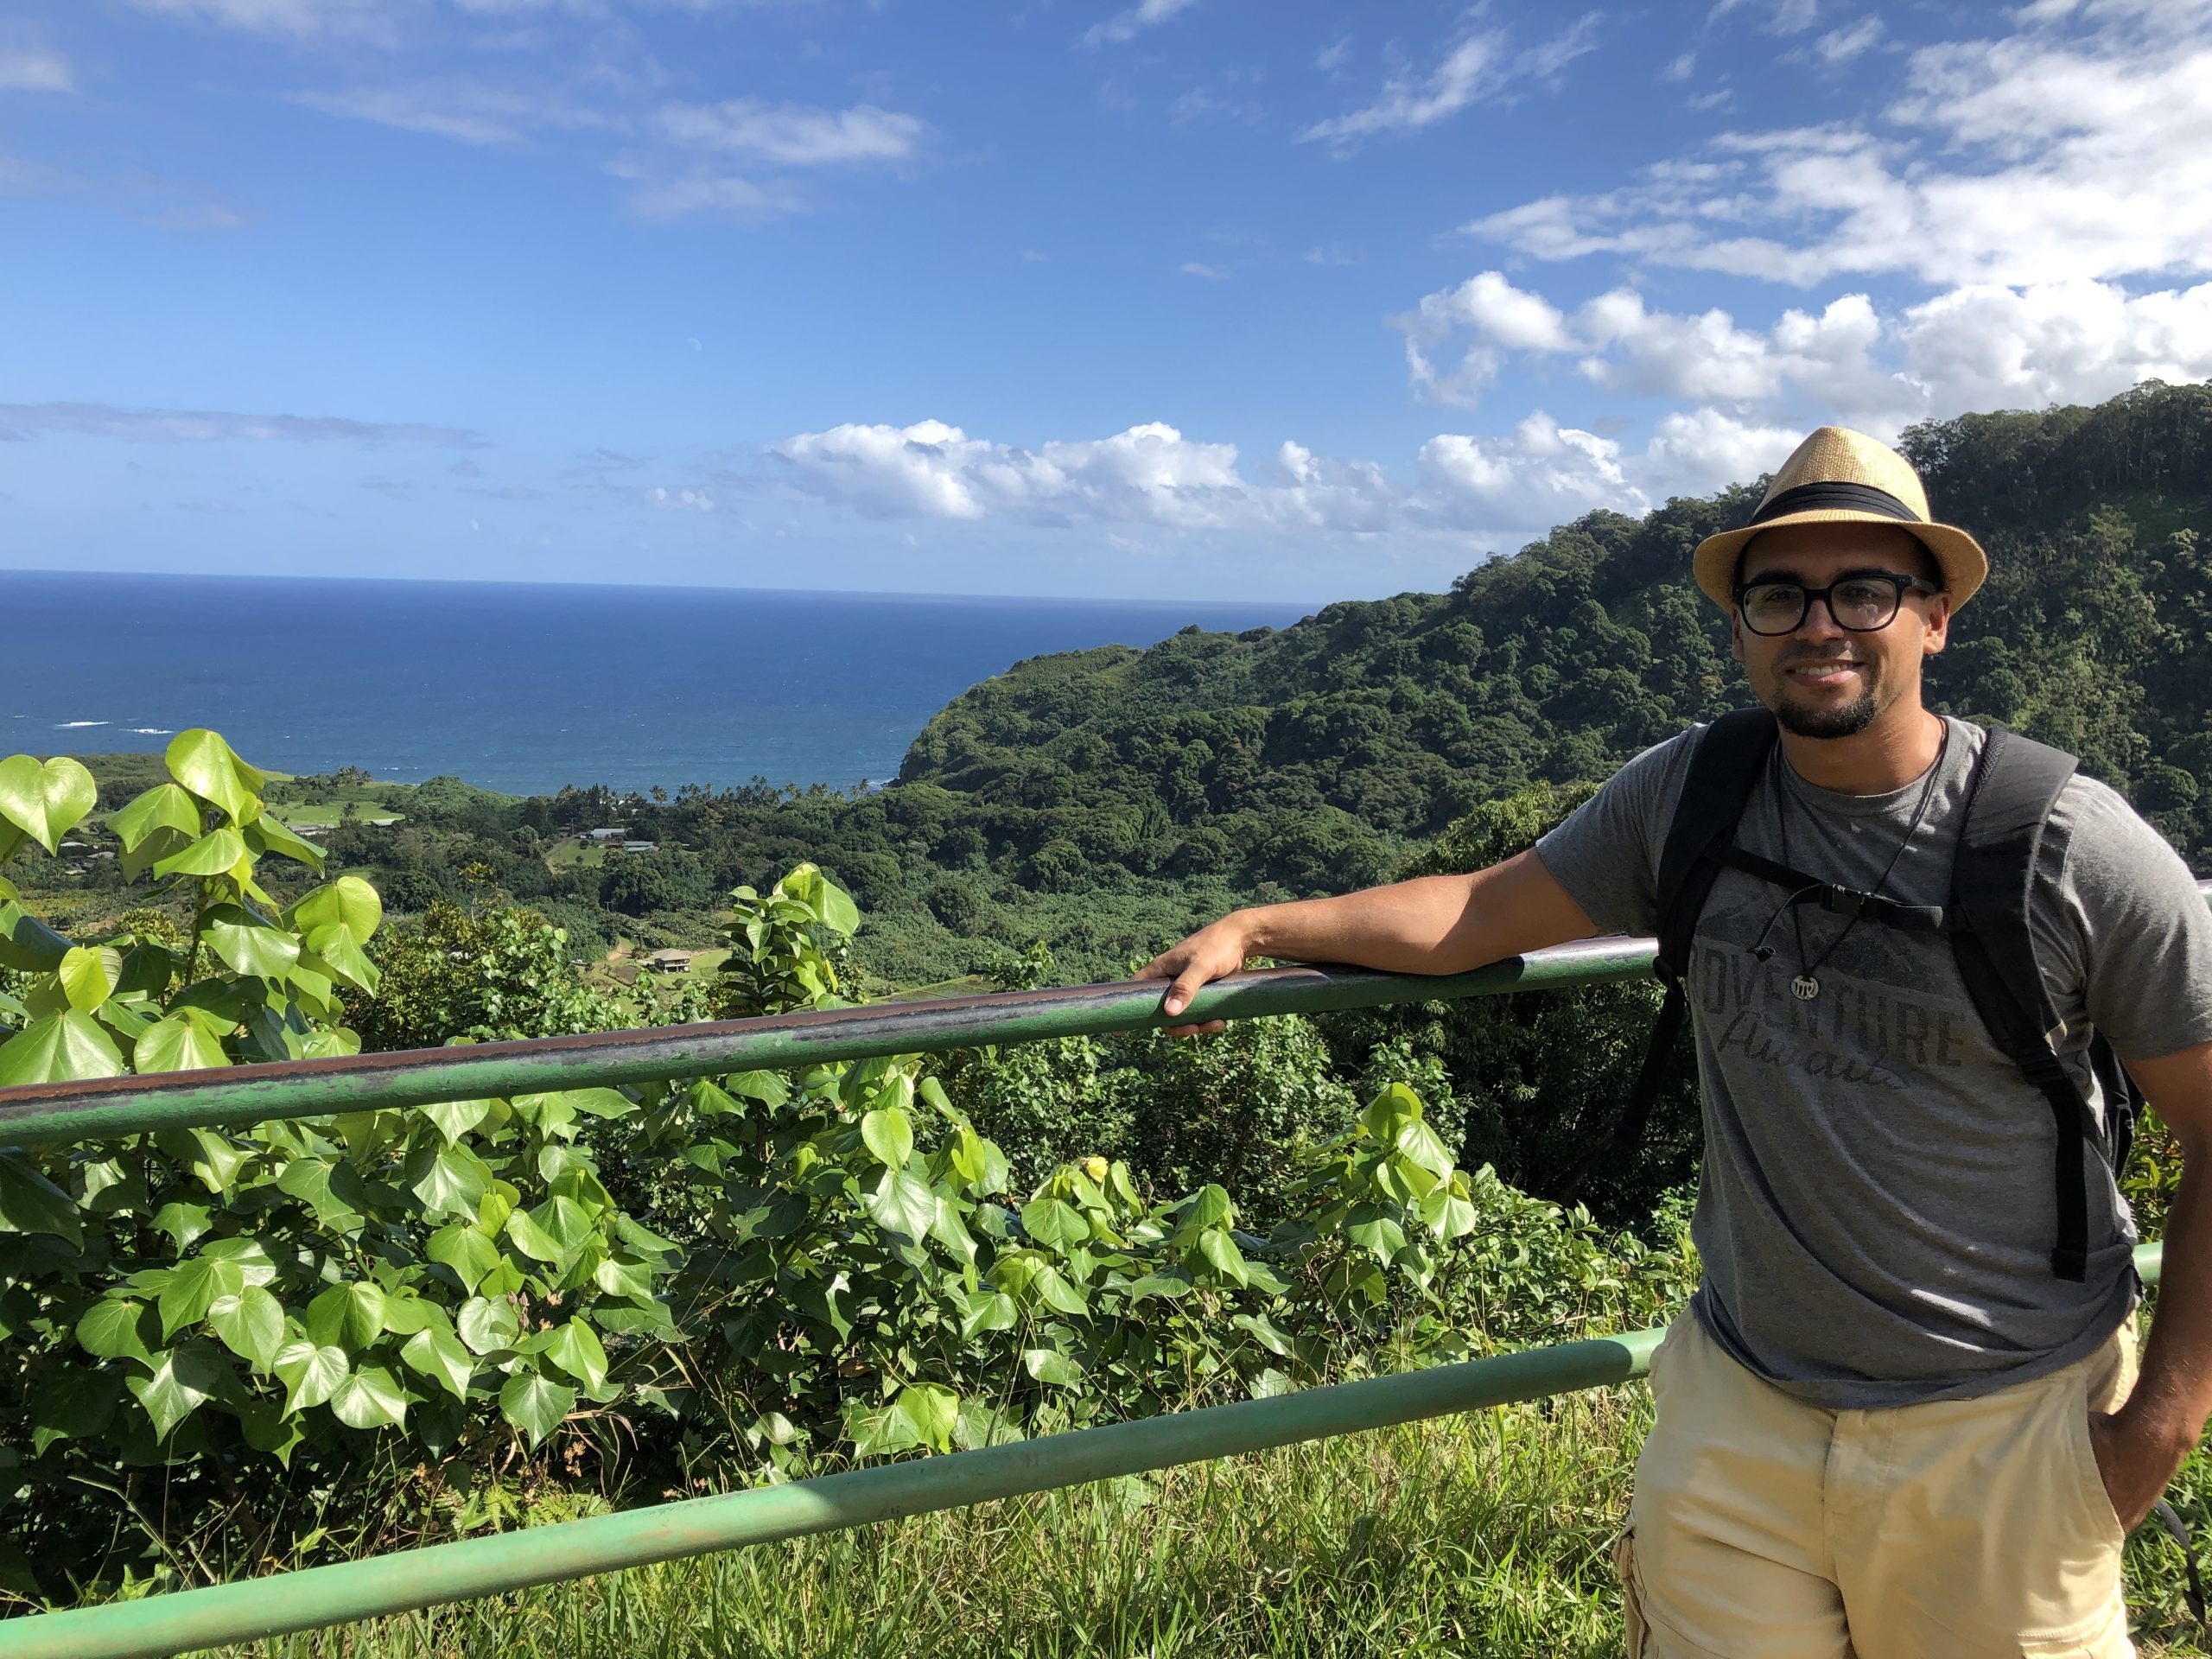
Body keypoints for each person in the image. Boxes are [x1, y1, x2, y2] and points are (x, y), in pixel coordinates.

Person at [1135, 425, 2212, 1657]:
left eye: (1864, 589)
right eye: (1779, 594)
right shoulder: (1693, 793)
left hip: (2002, 1425)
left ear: (1934, 618)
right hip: (1740, 1411)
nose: (1820, 624)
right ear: (1742, 627)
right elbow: (1482, 912)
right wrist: (1263, 926)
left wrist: (2163, 1423)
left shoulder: (2065, 845)